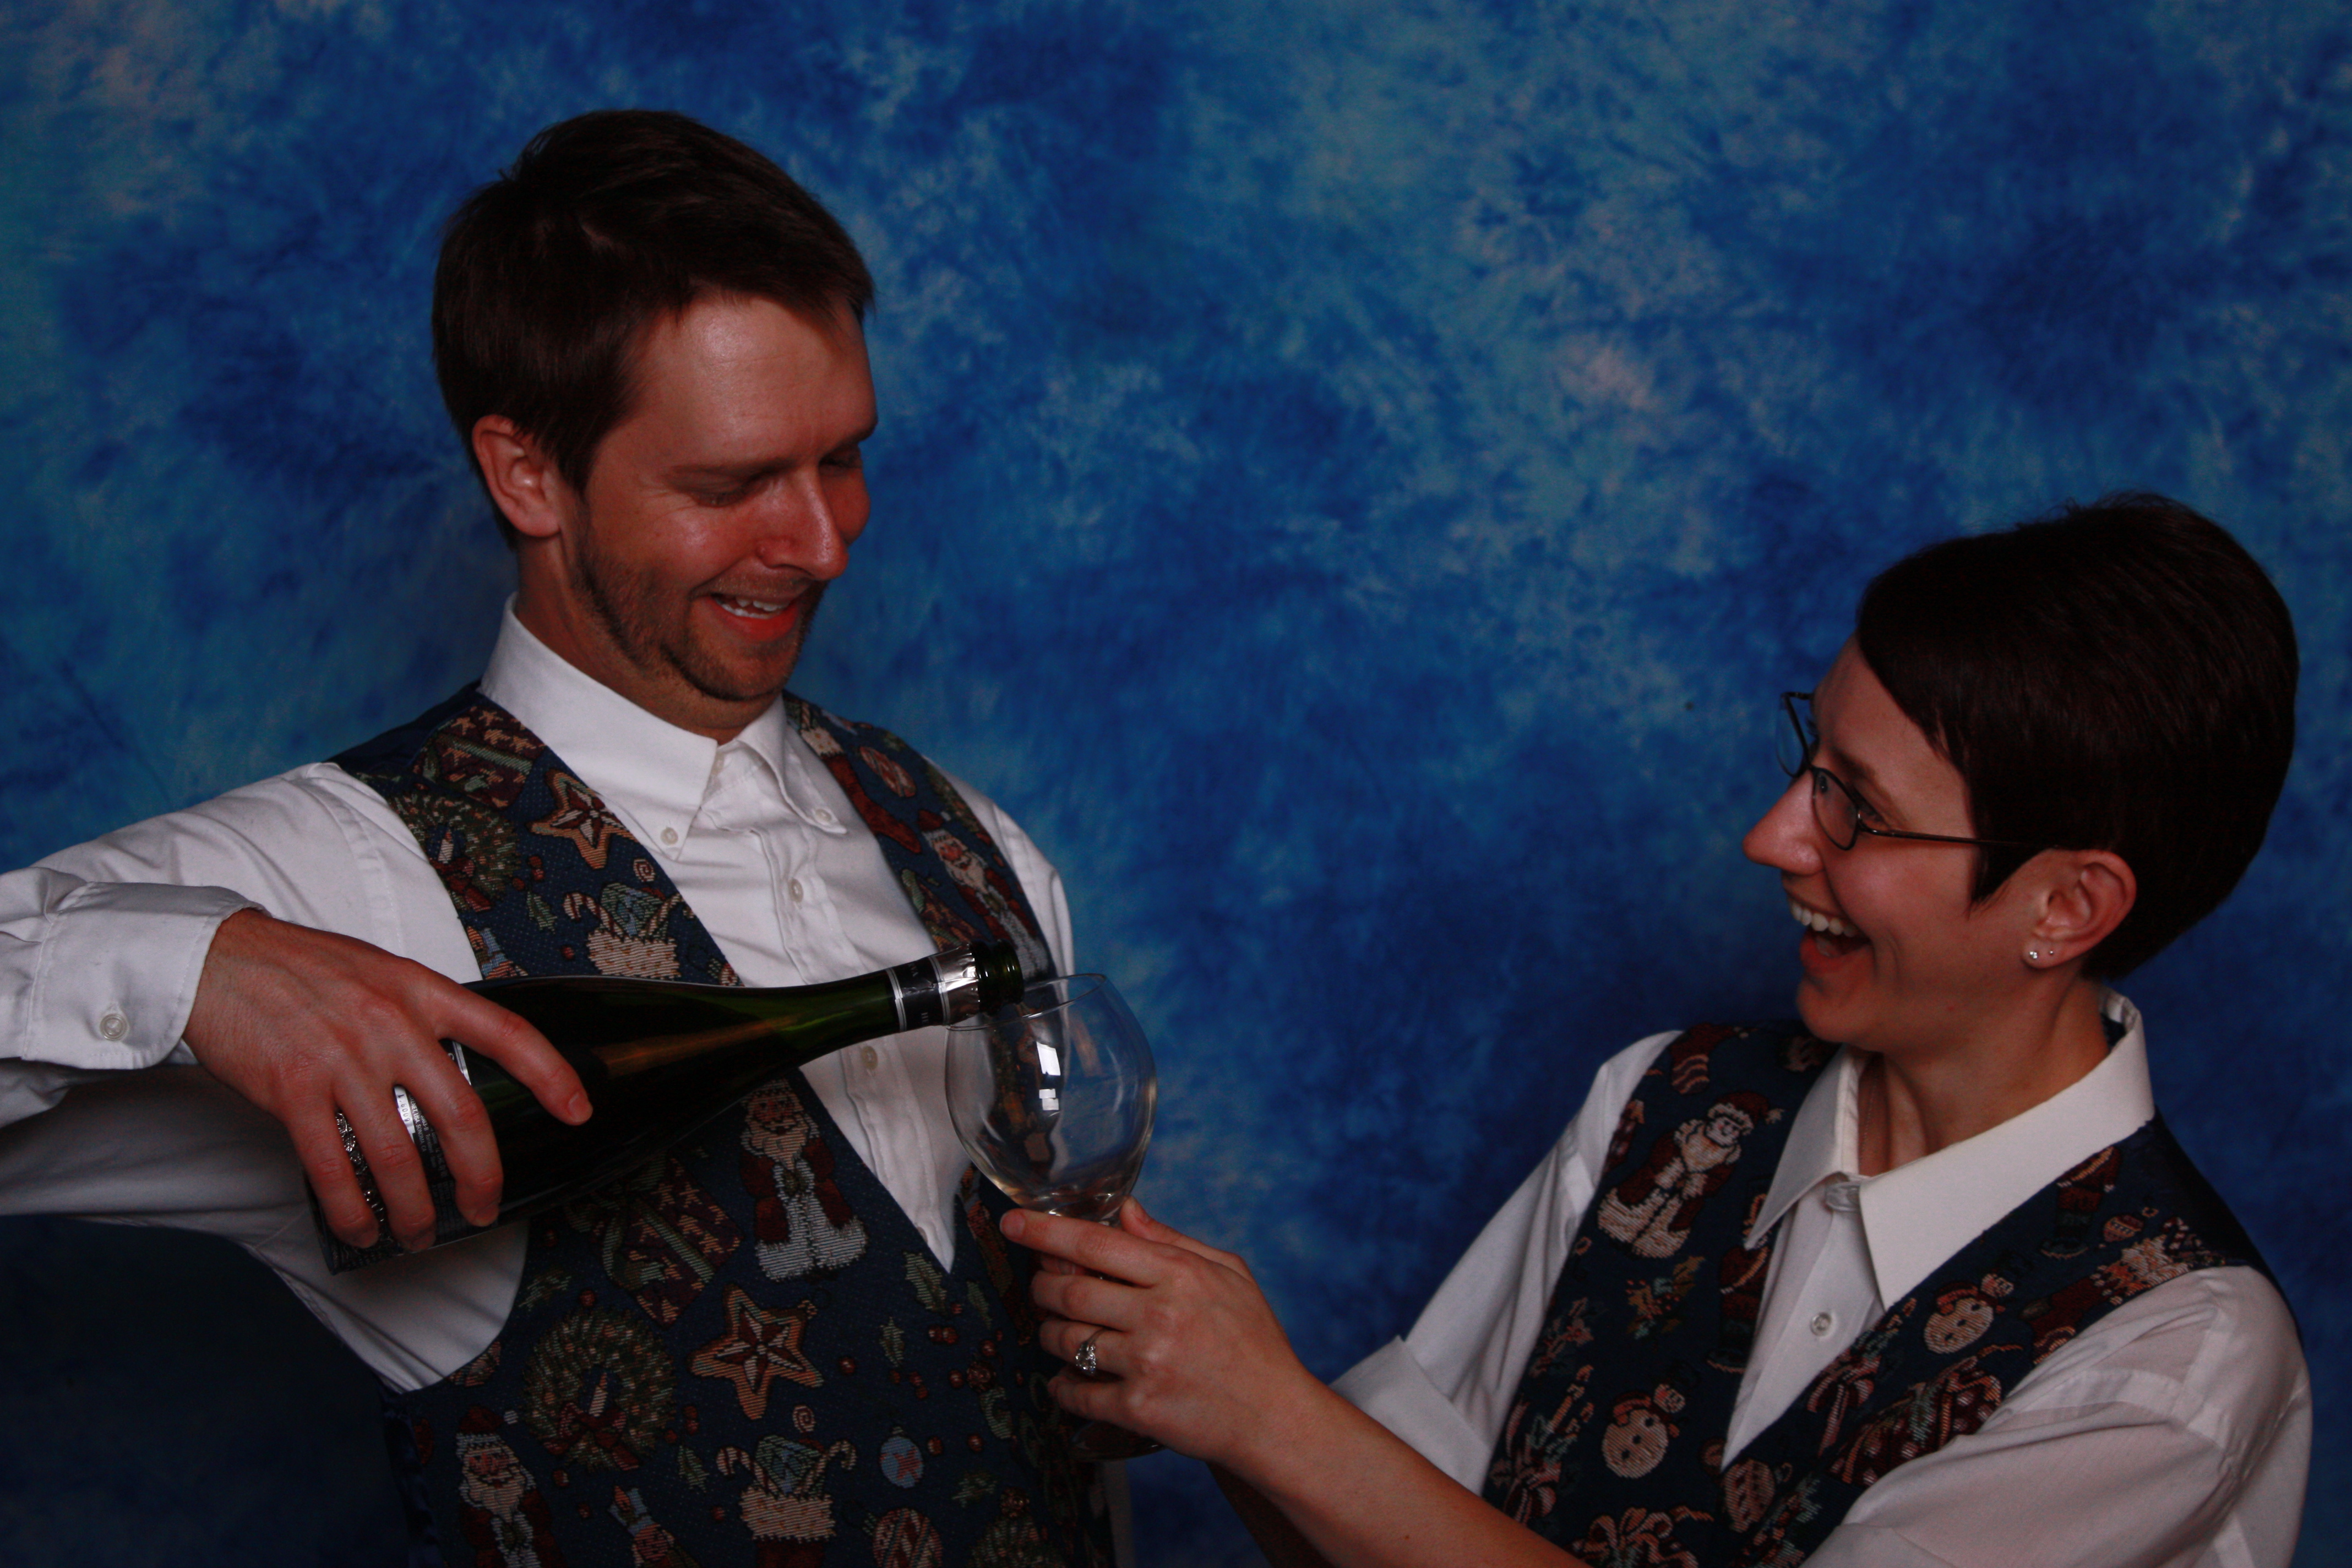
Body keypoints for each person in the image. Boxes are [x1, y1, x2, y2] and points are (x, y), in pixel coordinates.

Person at [0, 110, 1122, 1567]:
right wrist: (198, 970)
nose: (823, 541)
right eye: (730, 485)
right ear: (527, 474)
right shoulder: (341, 882)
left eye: (843, 458)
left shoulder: (976, 841)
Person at [1004, 494, 2311, 1566]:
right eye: (1809, 760)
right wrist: (1195, 1380)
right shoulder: (1667, 1101)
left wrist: (1272, 1413)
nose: (1770, 834)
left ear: (2066, 906)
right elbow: (1376, 1517)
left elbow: (1326, 1458)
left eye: (1856, 808)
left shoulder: (2176, 1348)